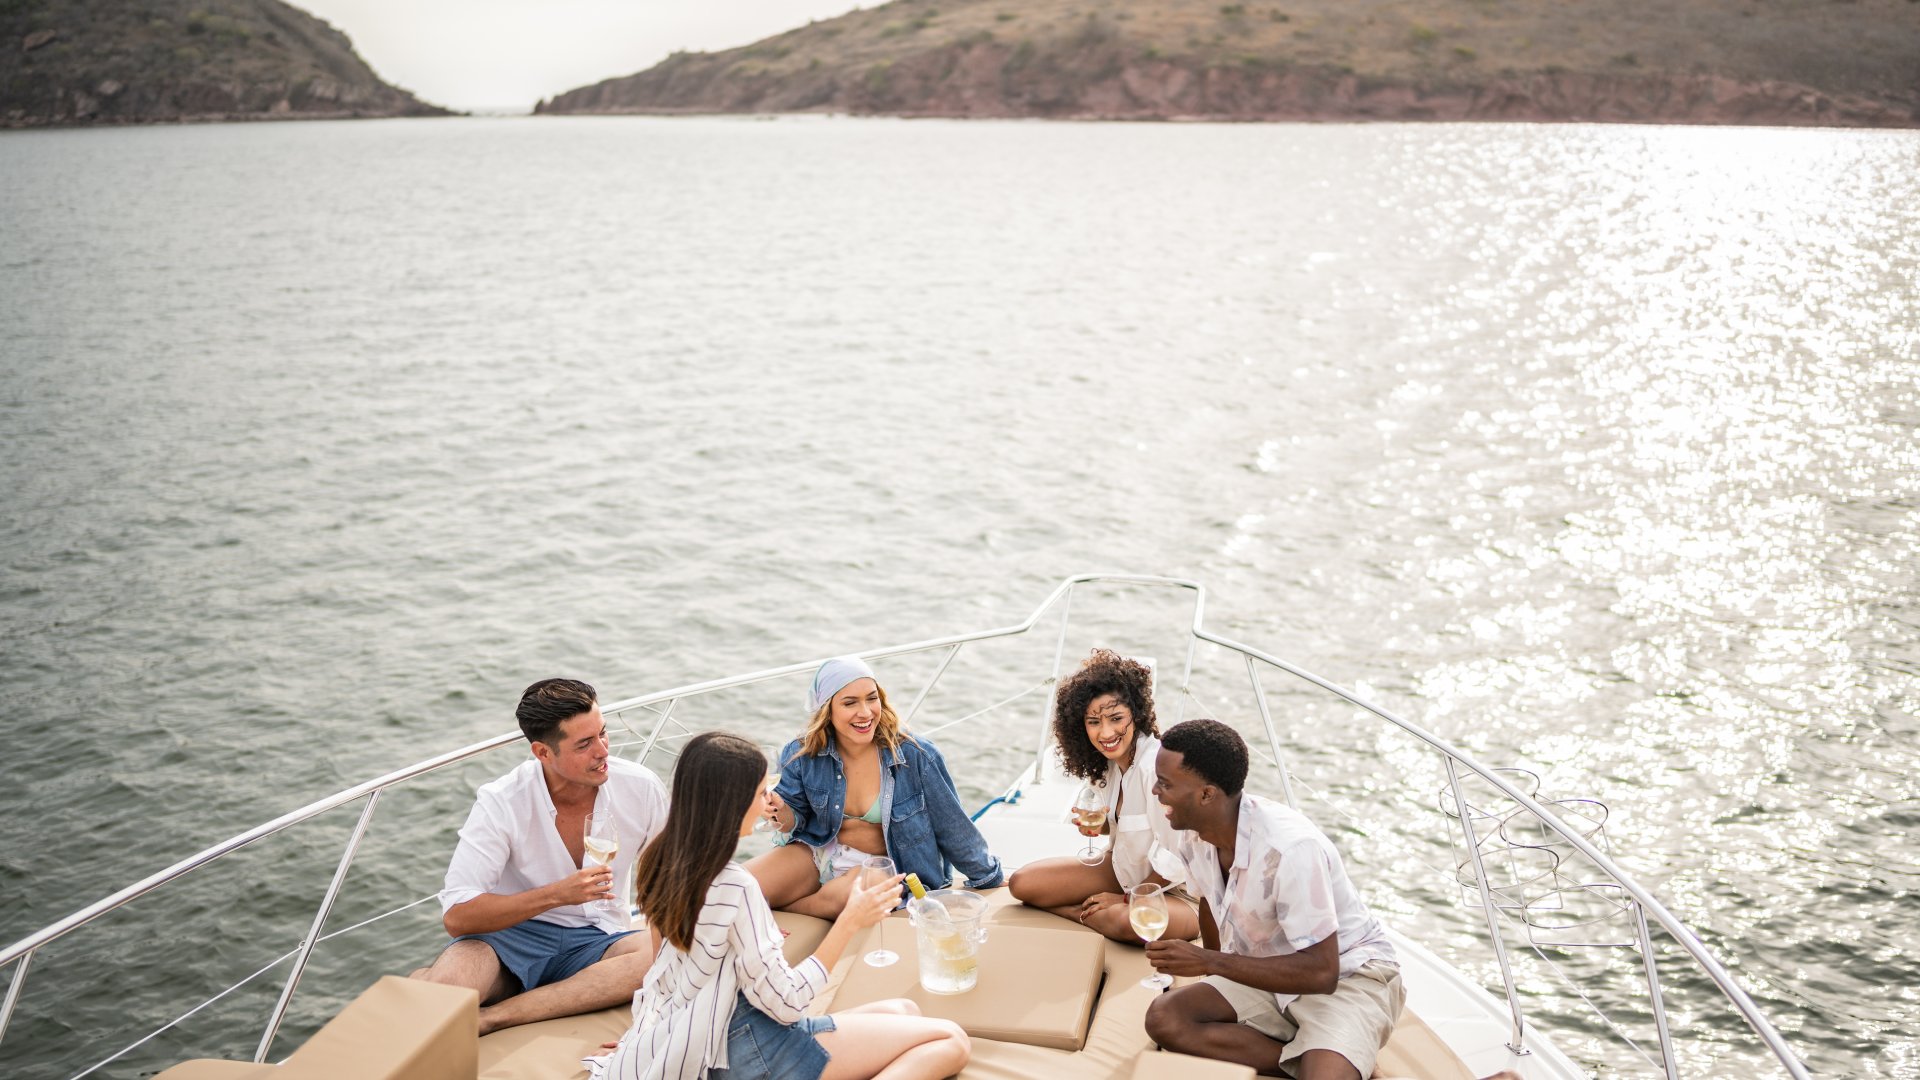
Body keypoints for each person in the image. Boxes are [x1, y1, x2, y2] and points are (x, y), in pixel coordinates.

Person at [594, 730, 970, 1080]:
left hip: (709, 1040)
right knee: (951, 1040)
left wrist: (646, 1042)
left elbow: (664, 972)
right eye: (761, 794)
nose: (766, 806)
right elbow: (786, 1004)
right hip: (749, 1052)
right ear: (732, 803)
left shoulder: (662, 860)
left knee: (905, 1011)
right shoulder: (735, 886)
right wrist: (850, 921)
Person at [1143, 719, 1401, 1080]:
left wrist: (1211, 960)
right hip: (1265, 972)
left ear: (1206, 794)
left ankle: (1330, 1061)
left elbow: (1322, 973)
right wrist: (1210, 974)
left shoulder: (1291, 851)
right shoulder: (1193, 834)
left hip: (1346, 976)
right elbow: (1207, 904)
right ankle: (1320, 1059)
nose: (1156, 791)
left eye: (1165, 783)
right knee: (1166, 1018)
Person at [413, 678, 668, 1035]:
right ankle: (486, 987)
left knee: (662, 956)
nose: (603, 751)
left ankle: (495, 1017)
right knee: (443, 994)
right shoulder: (502, 802)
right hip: (506, 942)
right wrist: (557, 895)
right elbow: (457, 916)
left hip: (601, 939)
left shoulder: (640, 787)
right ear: (543, 753)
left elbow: (672, 875)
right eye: (584, 744)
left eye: (603, 733)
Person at [747, 656, 1003, 918]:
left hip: (887, 870)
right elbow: (793, 818)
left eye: (872, 698)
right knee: (740, 886)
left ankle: (788, 906)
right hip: (821, 852)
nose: (866, 712)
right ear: (827, 709)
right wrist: (779, 811)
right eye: (850, 703)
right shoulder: (802, 752)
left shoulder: (916, 755)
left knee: (862, 893)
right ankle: (803, 901)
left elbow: (952, 827)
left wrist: (987, 876)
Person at [1007, 649, 1200, 945]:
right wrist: (1100, 827)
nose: (1105, 732)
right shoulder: (1111, 764)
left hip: (1179, 892)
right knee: (1023, 884)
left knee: (1127, 922)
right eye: (1093, 722)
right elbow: (1127, 826)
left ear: (1135, 714)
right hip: (1126, 871)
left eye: (1115, 718)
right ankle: (1096, 915)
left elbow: (1181, 857)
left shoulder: (1155, 769)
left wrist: (1124, 900)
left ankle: (1079, 914)